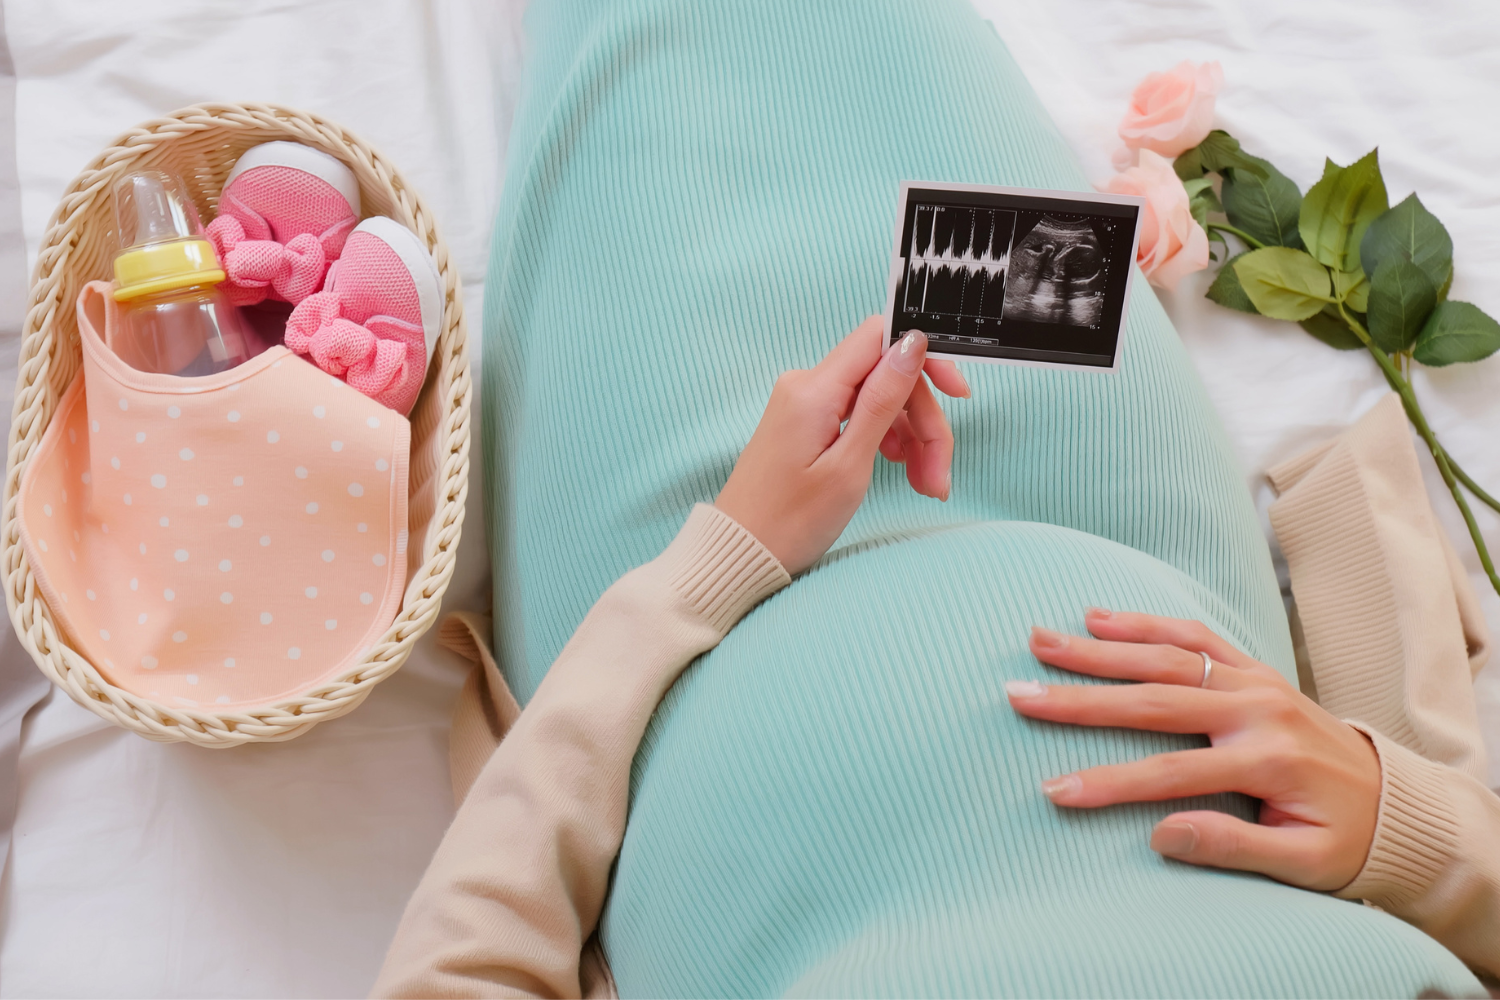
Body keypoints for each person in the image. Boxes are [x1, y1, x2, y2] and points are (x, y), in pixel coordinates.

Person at [376, 0, 1500, 995]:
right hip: (1125, 530)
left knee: (641, 32)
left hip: (686, 626)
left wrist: (718, 557)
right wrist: (1396, 819)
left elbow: (461, 968)